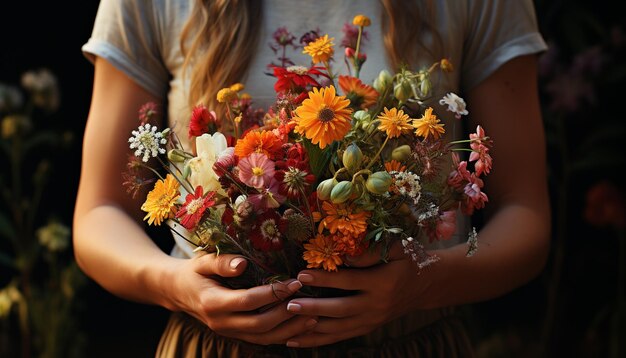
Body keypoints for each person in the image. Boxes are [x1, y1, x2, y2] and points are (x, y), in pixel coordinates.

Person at [75, 0, 551, 356]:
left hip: (410, 339)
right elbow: (99, 214)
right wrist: (172, 283)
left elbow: (524, 214)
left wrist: (426, 282)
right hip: (216, 343)